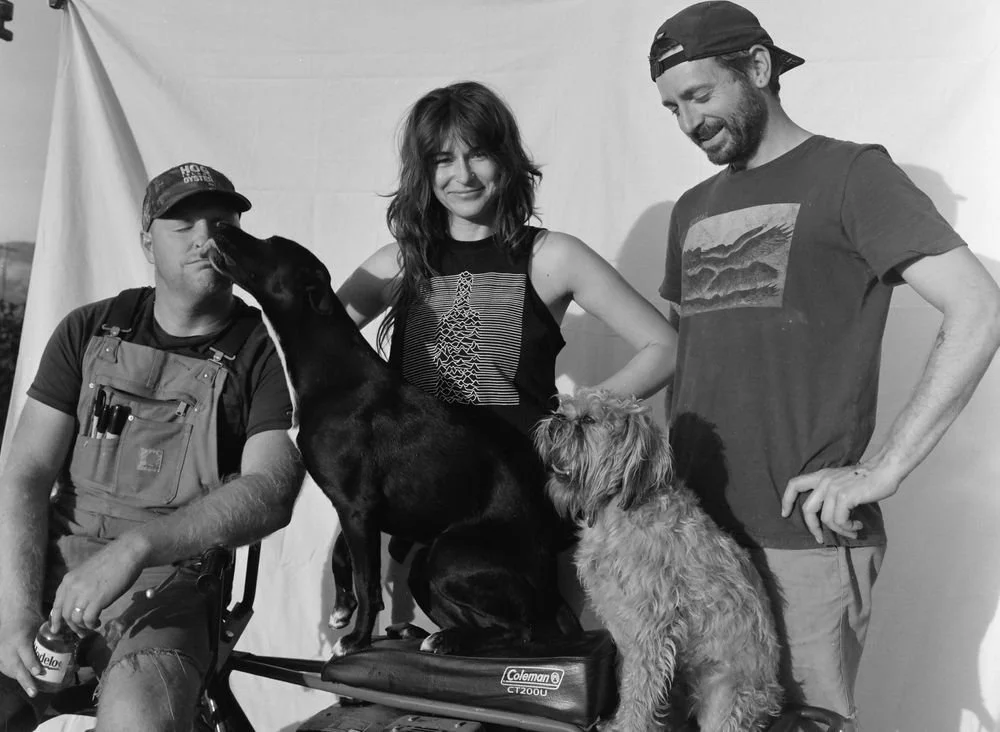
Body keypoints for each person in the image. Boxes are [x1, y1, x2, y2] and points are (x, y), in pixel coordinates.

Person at [648, 2, 1000, 728]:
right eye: (672, 107)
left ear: (757, 67)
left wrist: (883, 468)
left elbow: (979, 308)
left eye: (700, 95)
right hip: (691, 536)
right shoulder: (691, 208)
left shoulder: (852, 174)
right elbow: (691, 361)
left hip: (798, 539)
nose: (688, 122)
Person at [0, 162, 304, 731]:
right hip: (53, 570)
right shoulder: (90, 329)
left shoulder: (265, 352)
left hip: (171, 583)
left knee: (139, 720)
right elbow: (27, 473)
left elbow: (272, 490)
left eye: (220, 224)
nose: (205, 239)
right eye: (182, 225)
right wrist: (14, 609)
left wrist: (136, 548)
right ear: (147, 242)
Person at [337, 80, 677, 440]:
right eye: (443, 160)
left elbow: (667, 348)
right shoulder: (397, 263)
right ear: (424, 170)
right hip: (410, 472)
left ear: (504, 158)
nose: (463, 175)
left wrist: (578, 413)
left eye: (478, 154)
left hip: (522, 473)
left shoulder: (554, 257)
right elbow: (310, 348)